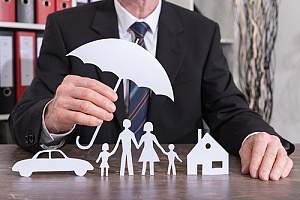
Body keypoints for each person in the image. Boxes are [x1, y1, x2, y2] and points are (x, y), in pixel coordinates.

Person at [9, 0, 294, 181]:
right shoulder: (66, 25)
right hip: (91, 183)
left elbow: (228, 110)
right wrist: (51, 118)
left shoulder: (202, 31)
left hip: (176, 183)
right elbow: (23, 119)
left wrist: (255, 136)